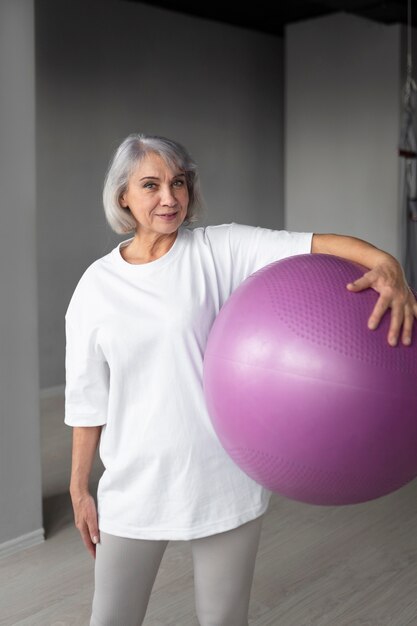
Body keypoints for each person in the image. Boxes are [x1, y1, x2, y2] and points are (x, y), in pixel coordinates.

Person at [65, 133, 417, 626]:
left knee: (225, 619)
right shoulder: (95, 286)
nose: (169, 198)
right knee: (111, 619)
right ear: (123, 195)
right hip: (134, 484)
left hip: (222, 478)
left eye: (178, 183)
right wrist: (80, 488)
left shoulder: (220, 247)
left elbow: (316, 244)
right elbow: (87, 398)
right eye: (151, 185)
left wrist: (386, 263)